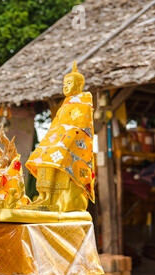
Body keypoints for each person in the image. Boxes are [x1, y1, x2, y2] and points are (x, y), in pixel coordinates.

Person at [24, 61, 95, 212]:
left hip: (72, 145)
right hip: (58, 141)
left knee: (51, 158)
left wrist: (62, 141)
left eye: (69, 83)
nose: (65, 86)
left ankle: (50, 197)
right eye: (64, 83)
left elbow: (80, 126)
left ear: (78, 85)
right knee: (41, 156)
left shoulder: (83, 103)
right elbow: (55, 126)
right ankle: (43, 195)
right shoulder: (65, 104)